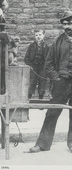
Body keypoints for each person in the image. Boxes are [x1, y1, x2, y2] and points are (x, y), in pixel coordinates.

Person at [29, 10, 72, 153]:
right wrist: (57, 78)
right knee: (52, 112)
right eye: (65, 24)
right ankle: (42, 144)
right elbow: (48, 64)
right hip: (61, 83)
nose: (67, 26)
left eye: (70, 23)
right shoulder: (58, 42)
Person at [24, 28, 49, 99]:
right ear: (34, 36)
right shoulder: (31, 46)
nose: (38, 37)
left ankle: (41, 98)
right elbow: (26, 58)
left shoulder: (47, 46)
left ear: (43, 35)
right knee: (32, 81)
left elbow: (49, 58)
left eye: (40, 35)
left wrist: (47, 66)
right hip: (33, 66)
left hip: (43, 67)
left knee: (43, 82)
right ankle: (29, 97)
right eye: (36, 35)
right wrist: (30, 65)